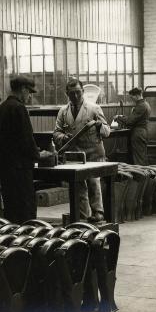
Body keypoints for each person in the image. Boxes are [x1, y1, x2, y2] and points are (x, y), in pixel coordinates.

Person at [54, 79, 110, 222]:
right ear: (67, 94)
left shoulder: (94, 108)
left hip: (93, 153)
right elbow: (56, 133)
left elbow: (107, 131)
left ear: (83, 92)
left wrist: (99, 126)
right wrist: (63, 137)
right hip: (75, 155)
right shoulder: (63, 111)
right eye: (72, 93)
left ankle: (98, 213)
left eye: (78, 92)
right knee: (79, 187)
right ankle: (84, 216)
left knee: (93, 183)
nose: (76, 96)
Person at [0, 75, 49, 223]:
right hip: (20, 169)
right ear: (23, 89)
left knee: (11, 209)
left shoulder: (2, 108)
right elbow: (26, 140)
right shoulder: (19, 108)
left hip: (5, 168)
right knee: (25, 210)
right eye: (29, 92)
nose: (30, 96)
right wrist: (39, 154)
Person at [115, 87, 150, 166]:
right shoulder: (146, 104)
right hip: (142, 132)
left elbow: (130, 121)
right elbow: (134, 118)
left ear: (137, 96)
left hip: (138, 133)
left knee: (138, 159)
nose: (131, 99)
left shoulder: (141, 106)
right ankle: (143, 176)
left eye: (132, 97)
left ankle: (140, 177)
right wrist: (123, 117)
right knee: (141, 156)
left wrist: (118, 117)